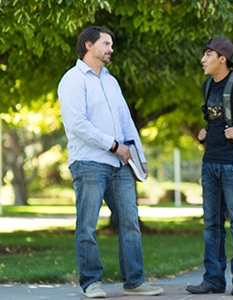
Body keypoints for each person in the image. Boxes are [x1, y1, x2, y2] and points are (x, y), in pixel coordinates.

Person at [57, 26, 163, 298]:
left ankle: (134, 282)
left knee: (130, 222)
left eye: (111, 45)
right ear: (89, 46)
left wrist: (138, 155)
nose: (111, 49)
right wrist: (113, 145)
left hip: (121, 166)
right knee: (88, 225)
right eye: (106, 44)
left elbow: (126, 121)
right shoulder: (72, 80)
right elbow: (78, 124)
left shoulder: (111, 81)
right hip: (89, 162)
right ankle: (91, 282)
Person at [185, 37, 233, 296]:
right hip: (209, 162)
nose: (203, 60)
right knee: (211, 224)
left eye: (208, 55)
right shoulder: (206, 85)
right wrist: (204, 132)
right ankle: (213, 279)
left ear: (222, 59)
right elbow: (211, 117)